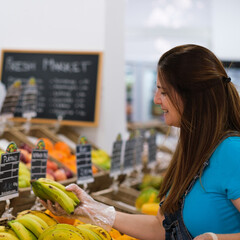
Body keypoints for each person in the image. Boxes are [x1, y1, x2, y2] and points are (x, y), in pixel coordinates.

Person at [41, 44, 240, 240]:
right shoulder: (193, 152)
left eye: (163, 92)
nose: (156, 99)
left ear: (191, 96)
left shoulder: (232, 152)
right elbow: (160, 228)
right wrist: (90, 210)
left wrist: (216, 239)